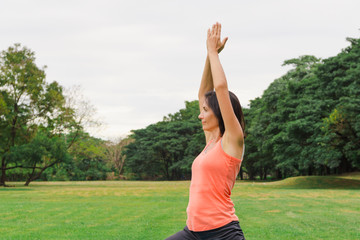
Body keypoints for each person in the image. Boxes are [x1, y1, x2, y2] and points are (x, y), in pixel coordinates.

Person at [165, 22, 246, 240]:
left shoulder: (232, 140)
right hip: (192, 232)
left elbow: (220, 89)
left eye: (205, 111)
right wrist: (209, 56)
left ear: (219, 113)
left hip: (222, 233)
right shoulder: (211, 141)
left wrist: (213, 53)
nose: (200, 115)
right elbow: (204, 92)